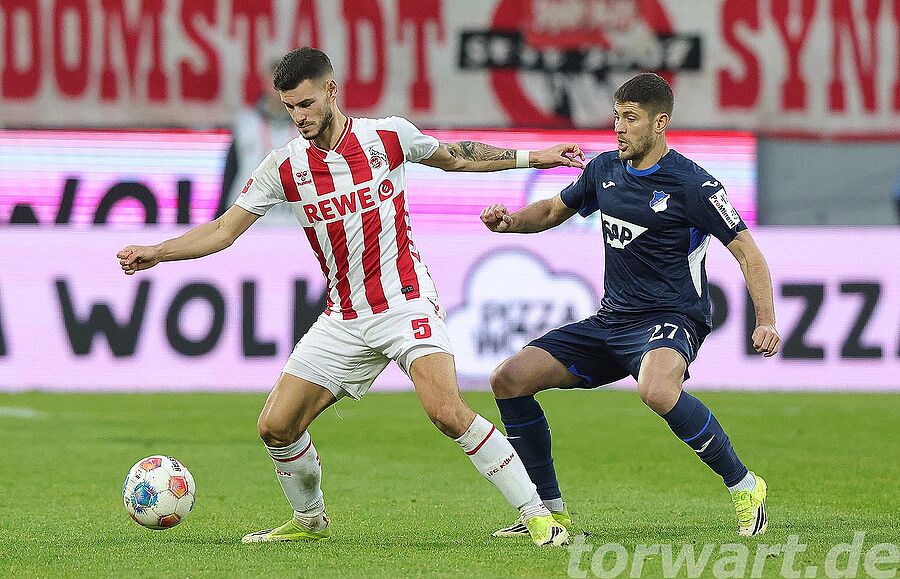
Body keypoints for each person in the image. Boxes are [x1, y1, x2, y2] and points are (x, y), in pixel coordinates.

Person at [116, 47, 585, 547]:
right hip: (344, 316)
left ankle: (538, 515)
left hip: (404, 301)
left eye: (306, 103)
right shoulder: (283, 167)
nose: (299, 117)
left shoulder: (388, 137)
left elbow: (456, 156)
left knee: (446, 412)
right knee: (276, 426)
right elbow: (223, 230)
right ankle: (310, 521)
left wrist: (535, 156)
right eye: (290, 107)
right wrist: (159, 252)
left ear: (331, 91)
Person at [480, 73, 779, 538]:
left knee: (656, 390)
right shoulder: (604, 170)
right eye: (616, 116)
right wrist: (511, 221)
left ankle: (745, 485)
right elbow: (553, 210)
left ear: (660, 123)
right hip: (611, 321)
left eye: (630, 118)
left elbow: (748, 253)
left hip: (672, 318)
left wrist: (766, 321)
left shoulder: (694, 185)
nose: (618, 127)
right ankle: (548, 512)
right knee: (509, 379)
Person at [217, 61, 297, 225]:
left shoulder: (309, 125)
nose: (280, 89)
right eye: (276, 82)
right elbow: (230, 173)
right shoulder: (246, 124)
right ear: (266, 83)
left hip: (294, 221)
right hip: (248, 221)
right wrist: (220, 218)